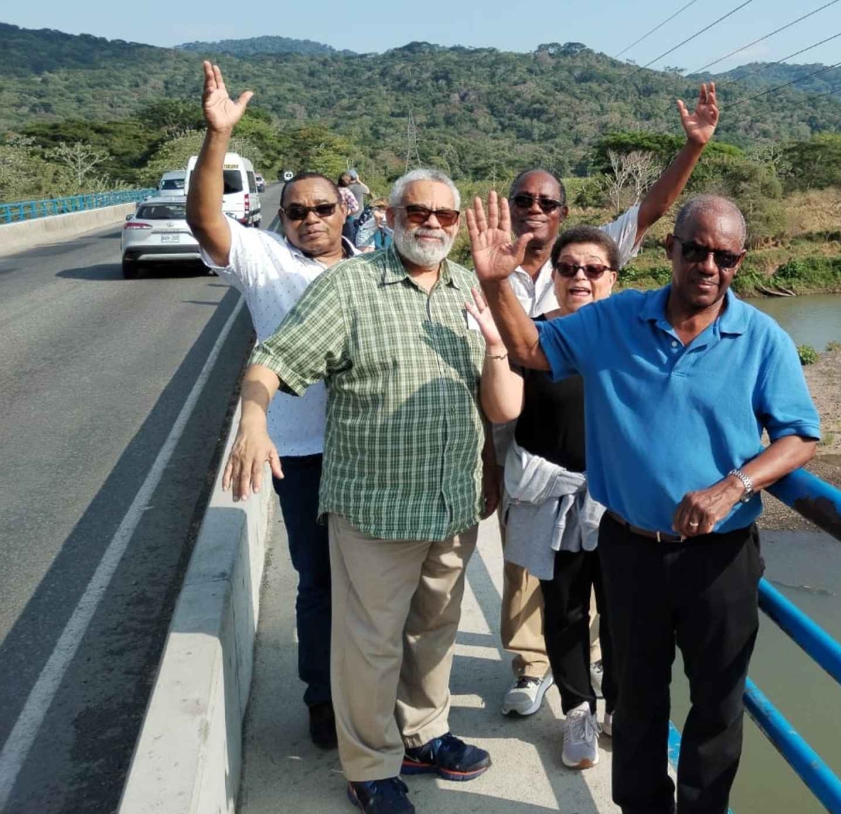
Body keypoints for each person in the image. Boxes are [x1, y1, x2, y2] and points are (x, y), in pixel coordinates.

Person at [471, 191, 821, 814]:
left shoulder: (763, 339)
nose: (709, 267)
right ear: (671, 250)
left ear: (740, 262)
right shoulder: (615, 321)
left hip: (721, 557)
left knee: (717, 703)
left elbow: (799, 436)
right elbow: (530, 351)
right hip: (629, 548)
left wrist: (732, 486)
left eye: (725, 257)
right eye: (696, 251)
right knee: (635, 703)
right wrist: (496, 282)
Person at [227, 168, 500, 814]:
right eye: (418, 211)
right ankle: (371, 763)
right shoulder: (348, 287)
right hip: (375, 505)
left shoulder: (469, 288)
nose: (432, 223)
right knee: (370, 642)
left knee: (433, 630)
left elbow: (487, 393)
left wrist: (488, 469)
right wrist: (253, 419)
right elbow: (274, 358)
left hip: (451, 502)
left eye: (445, 215)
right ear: (388, 213)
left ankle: (424, 730)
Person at [497, 81, 721, 719]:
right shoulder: (492, 272)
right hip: (524, 433)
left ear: (563, 214)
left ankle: (584, 668)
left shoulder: (590, 257)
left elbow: (653, 209)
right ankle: (530, 664)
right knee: (528, 564)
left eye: (547, 200)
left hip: (592, 443)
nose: (535, 208)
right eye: (525, 199)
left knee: (593, 572)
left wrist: (691, 149)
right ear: (511, 209)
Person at [185, 60, 352, 751]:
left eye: (323, 208)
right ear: (281, 217)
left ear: (347, 210)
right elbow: (204, 220)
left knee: (373, 583)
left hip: (370, 447)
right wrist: (216, 138)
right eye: (297, 210)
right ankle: (322, 695)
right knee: (317, 581)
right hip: (303, 452)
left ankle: (372, 693)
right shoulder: (261, 259)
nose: (311, 218)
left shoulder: (373, 266)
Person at [466, 226, 620, 770]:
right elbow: (504, 411)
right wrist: (494, 344)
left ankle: (616, 707)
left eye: (593, 269)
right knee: (564, 607)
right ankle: (577, 709)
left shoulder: (630, 338)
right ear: (553, 276)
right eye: (569, 268)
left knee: (625, 610)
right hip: (553, 496)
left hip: (616, 498)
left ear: (613, 279)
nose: (580, 277)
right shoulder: (530, 339)